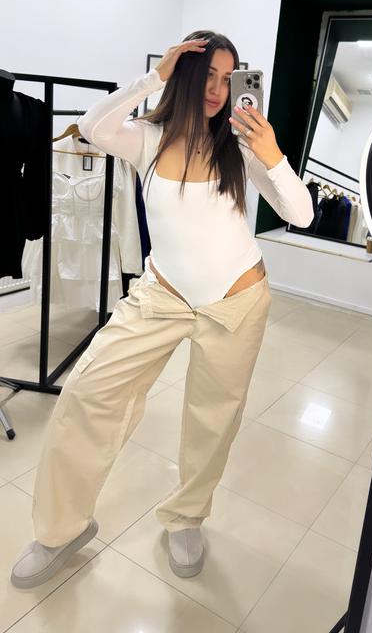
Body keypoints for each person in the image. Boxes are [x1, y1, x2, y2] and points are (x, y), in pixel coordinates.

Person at [11, 30, 314, 590]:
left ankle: (186, 517)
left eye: (228, 78)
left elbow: (301, 214)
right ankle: (60, 529)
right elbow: (94, 126)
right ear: (185, 75)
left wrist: (271, 152)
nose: (218, 90)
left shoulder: (241, 147)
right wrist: (155, 76)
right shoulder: (148, 139)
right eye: (208, 76)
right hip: (161, 295)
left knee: (212, 420)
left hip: (237, 301)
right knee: (87, 393)